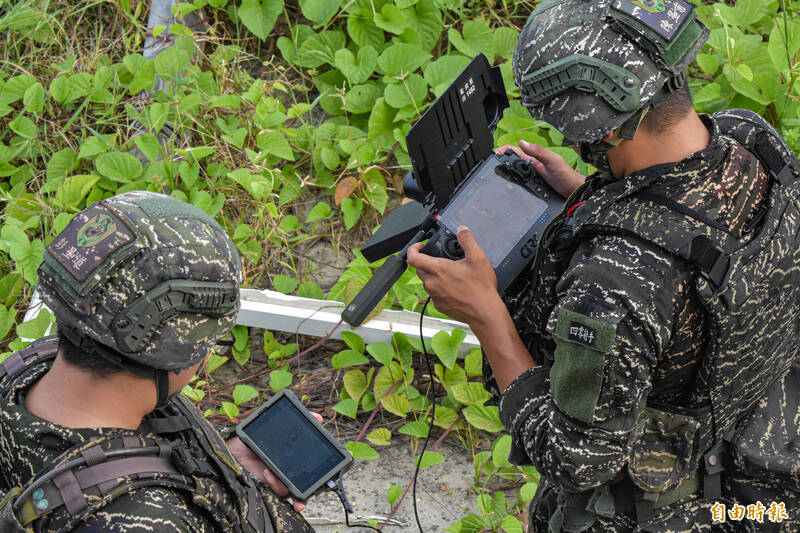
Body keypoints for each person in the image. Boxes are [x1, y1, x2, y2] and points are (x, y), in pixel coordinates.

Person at [408, 1, 799, 532]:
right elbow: (700, 234)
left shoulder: (613, 285)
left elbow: (577, 459)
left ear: (606, 131)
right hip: (767, 485)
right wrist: (590, 200)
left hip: (674, 513)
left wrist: (487, 317)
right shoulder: (754, 145)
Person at [0, 191, 315, 532]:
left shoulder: (25, 374)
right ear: (181, 352)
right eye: (211, 339)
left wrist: (222, 461)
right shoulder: (145, 522)